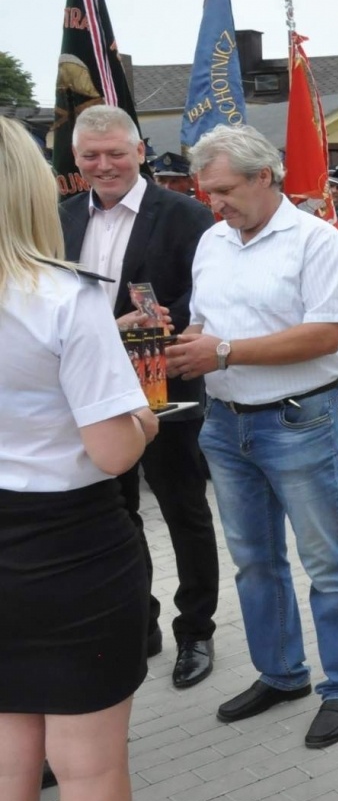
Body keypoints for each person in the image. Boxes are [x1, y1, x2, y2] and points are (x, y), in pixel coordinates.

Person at [166, 124, 338, 749]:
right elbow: (205, 320)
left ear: (265, 177)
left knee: (326, 562)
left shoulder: (317, 240)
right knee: (255, 562)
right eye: (207, 192)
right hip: (225, 424)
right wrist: (179, 342)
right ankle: (281, 674)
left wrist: (222, 351)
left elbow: (326, 336)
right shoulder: (211, 242)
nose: (215, 202)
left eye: (224, 189)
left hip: (297, 419)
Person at [0, 115, 159, 801]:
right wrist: (145, 419)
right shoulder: (64, 295)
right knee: (88, 764)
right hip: (71, 556)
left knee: (8, 758)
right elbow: (114, 452)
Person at [59, 106, 220, 688]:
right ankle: (141, 619)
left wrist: (149, 320)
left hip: (166, 389)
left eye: (115, 153)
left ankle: (196, 631)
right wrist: (102, 330)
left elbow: (204, 297)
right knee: (117, 513)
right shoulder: (61, 217)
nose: (104, 165)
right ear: (76, 160)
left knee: (183, 511)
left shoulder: (186, 216)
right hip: (93, 397)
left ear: (140, 151)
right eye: (90, 156)